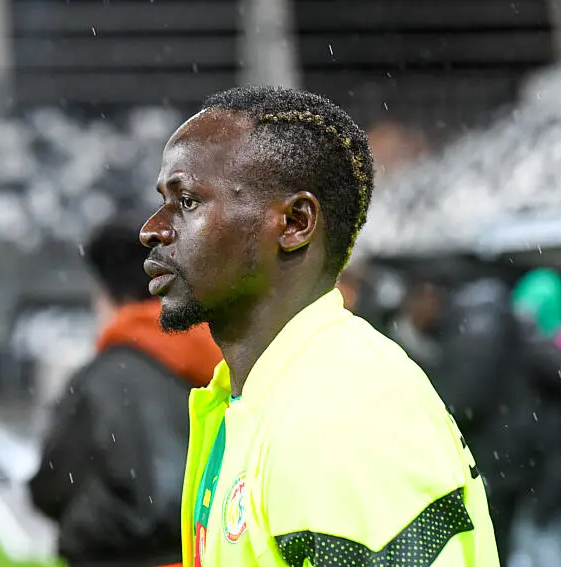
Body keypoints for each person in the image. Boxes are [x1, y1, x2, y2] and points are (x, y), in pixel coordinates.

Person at [139, 86, 499, 567]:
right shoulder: (259, 396)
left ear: (294, 223)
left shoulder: (346, 410)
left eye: (186, 202)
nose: (152, 229)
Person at [29, 218, 222, 567]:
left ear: (108, 297)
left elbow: (50, 486)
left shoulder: (102, 377)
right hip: (203, 552)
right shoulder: (220, 366)